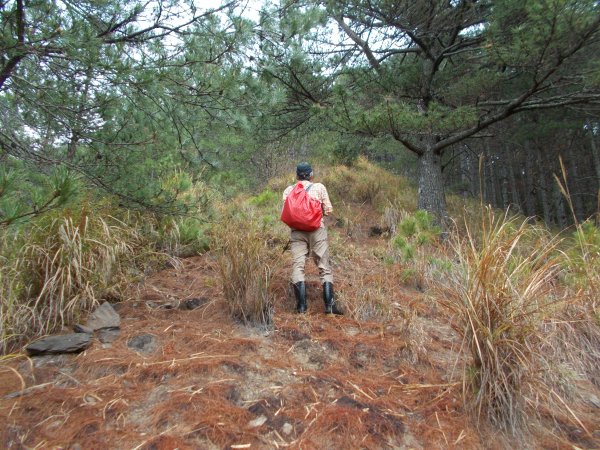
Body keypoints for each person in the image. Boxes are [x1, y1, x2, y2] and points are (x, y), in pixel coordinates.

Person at [282, 162, 342, 315]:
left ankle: (301, 307)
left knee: (298, 266)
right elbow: (328, 210)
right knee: (324, 266)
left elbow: (285, 213)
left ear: (296, 175)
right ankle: (329, 306)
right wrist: (315, 215)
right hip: (317, 230)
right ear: (311, 174)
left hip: (297, 233)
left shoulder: (289, 190)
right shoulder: (319, 187)